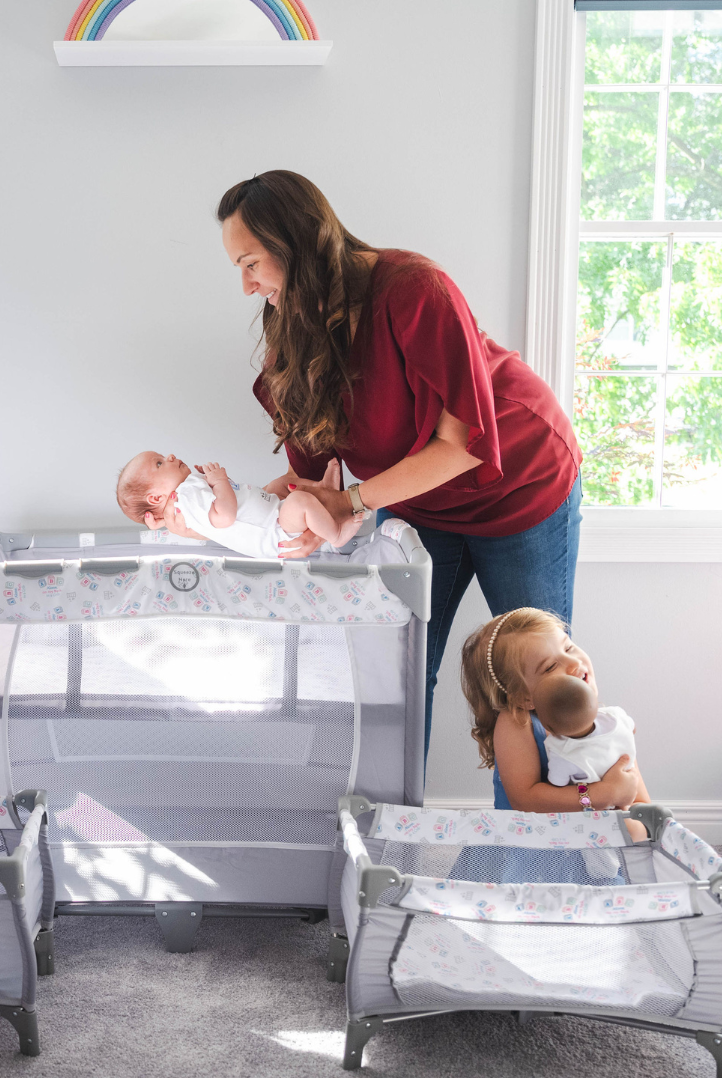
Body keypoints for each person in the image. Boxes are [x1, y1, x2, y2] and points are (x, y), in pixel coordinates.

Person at [157, 170, 583, 759]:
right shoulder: (293, 329)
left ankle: (532, 822)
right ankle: (393, 819)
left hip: (518, 482)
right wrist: (215, 516)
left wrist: (352, 502)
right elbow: (312, 481)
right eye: (240, 269)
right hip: (417, 502)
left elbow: (463, 444)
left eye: (251, 263)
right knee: (398, 672)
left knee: (535, 677)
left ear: (294, 244)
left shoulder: (414, 290)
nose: (248, 286)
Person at [460, 608, 647, 817]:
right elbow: (525, 799)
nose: (574, 662)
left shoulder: (610, 723)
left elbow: (639, 799)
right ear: (524, 697)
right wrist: (603, 794)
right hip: (531, 836)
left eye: (568, 648)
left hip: (595, 835)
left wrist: (629, 809)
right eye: (549, 667)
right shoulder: (517, 722)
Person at [117, 450, 355, 559]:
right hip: (274, 531)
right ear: (156, 498)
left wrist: (213, 483)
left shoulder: (188, 492)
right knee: (299, 500)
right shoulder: (186, 499)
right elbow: (225, 516)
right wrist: (219, 481)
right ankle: (336, 535)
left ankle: (324, 491)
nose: (169, 456)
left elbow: (232, 500)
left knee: (282, 484)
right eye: (159, 463)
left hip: (272, 511)